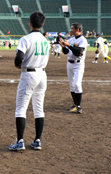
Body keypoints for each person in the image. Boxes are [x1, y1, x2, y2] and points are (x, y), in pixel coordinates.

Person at [9, 12, 50, 151]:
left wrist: (17, 64)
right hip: (42, 74)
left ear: (30, 23)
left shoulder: (26, 39)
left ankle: (20, 141)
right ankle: (37, 140)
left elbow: (19, 57)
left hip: (29, 74)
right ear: (42, 24)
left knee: (21, 108)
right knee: (39, 109)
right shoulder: (45, 40)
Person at [59, 23, 88, 114]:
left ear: (77, 30)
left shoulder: (83, 40)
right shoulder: (71, 39)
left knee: (77, 84)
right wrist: (63, 46)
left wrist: (69, 46)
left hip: (78, 64)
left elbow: (79, 52)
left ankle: (78, 106)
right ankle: (75, 105)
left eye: (72, 28)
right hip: (70, 64)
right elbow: (65, 52)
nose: (71, 30)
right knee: (71, 85)